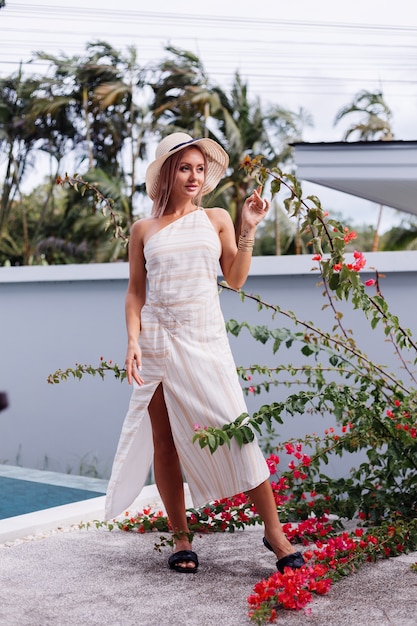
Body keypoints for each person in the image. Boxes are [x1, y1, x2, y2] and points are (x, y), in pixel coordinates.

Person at [105, 132, 303, 574]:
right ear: (167, 174)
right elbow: (136, 293)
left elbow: (234, 278)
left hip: (205, 338)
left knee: (238, 429)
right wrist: (133, 340)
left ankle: (274, 532)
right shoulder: (143, 230)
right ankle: (180, 539)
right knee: (165, 443)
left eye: (199, 168)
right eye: (184, 168)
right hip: (156, 341)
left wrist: (249, 227)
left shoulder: (216, 218)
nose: (193, 176)